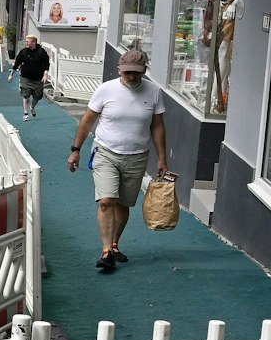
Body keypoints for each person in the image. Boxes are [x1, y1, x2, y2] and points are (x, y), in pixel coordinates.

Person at [67, 49, 171, 273]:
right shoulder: (106, 90)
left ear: (144, 71)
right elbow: (86, 122)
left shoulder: (154, 92)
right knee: (106, 201)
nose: (132, 77)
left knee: (123, 206)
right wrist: (75, 150)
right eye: (127, 73)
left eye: (136, 73)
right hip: (106, 152)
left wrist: (162, 158)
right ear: (119, 70)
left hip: (137, 156)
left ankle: (114, 245)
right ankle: (105, 252)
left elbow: (158, 126)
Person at [11, 34, 51, 120]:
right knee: (26, 96)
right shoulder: (23, 52)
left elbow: (46, 65)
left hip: (38, 79)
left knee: (37, 97)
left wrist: (45, 74)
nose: (26, 43)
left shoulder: (41, 52)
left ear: (34, 42)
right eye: (25, 41)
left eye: (27, 41)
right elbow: (16, 64)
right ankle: (25, 114)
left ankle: (32, 107)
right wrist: (11, 75)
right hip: (25, 78)